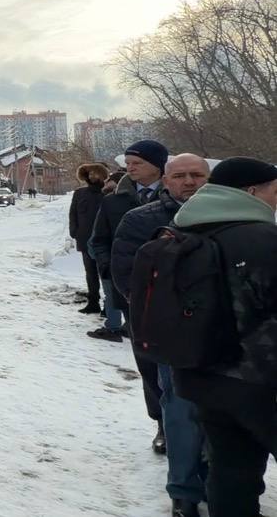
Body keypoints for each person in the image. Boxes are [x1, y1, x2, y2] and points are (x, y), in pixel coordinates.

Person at [173, 157, 277, 517]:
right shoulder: (265, 239)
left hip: (203, 377)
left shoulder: (185, 232)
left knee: (231, 471)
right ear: (251, 191)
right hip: (261, 381)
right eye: (275, 191)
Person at [112, 154, 211, 517]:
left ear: (209, 178)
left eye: (197, 175)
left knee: (220, 415)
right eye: (180, 176)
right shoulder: (141, 220)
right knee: (181, 412)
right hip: (174, 337)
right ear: (166, 181)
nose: (189, 182)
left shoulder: (227, 218)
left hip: (223, 336)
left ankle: (219, 482)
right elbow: (126, 276)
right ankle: (184, 491)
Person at [89, 139, 169, 453]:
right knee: (148, 363)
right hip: (134, 297)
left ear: (157, 164)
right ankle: (161, 423)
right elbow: (99, 241)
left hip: (179, 296)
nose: (130, 168)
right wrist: (111, 272)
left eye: (137, 162)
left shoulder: (180, 197)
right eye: (129, 163)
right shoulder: (114, 202)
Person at [69, 163, 109, 313]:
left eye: (96, 173)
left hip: (104, 241)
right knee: (90, 273)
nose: (92, 176)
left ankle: (109, 306)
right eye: (90, 173)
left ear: (103, 175)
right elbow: (73, 214)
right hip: (85, 239)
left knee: (105, 273)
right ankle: (93, 303)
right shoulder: (79, 193)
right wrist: (74, 231)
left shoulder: (108, 193)